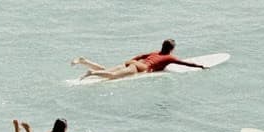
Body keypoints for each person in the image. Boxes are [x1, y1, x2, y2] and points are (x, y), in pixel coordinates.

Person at [71, 38, 207, 80]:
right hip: (141, 67)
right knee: (112, 76)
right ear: (172, 49)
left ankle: (85, 61)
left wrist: (131, 61)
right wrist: (199, 66)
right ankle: (91, 73)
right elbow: (185, 63)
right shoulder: (169, 57)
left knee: (107, 70)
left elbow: (141, 55)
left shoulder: (155, 52)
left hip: (134, 62)